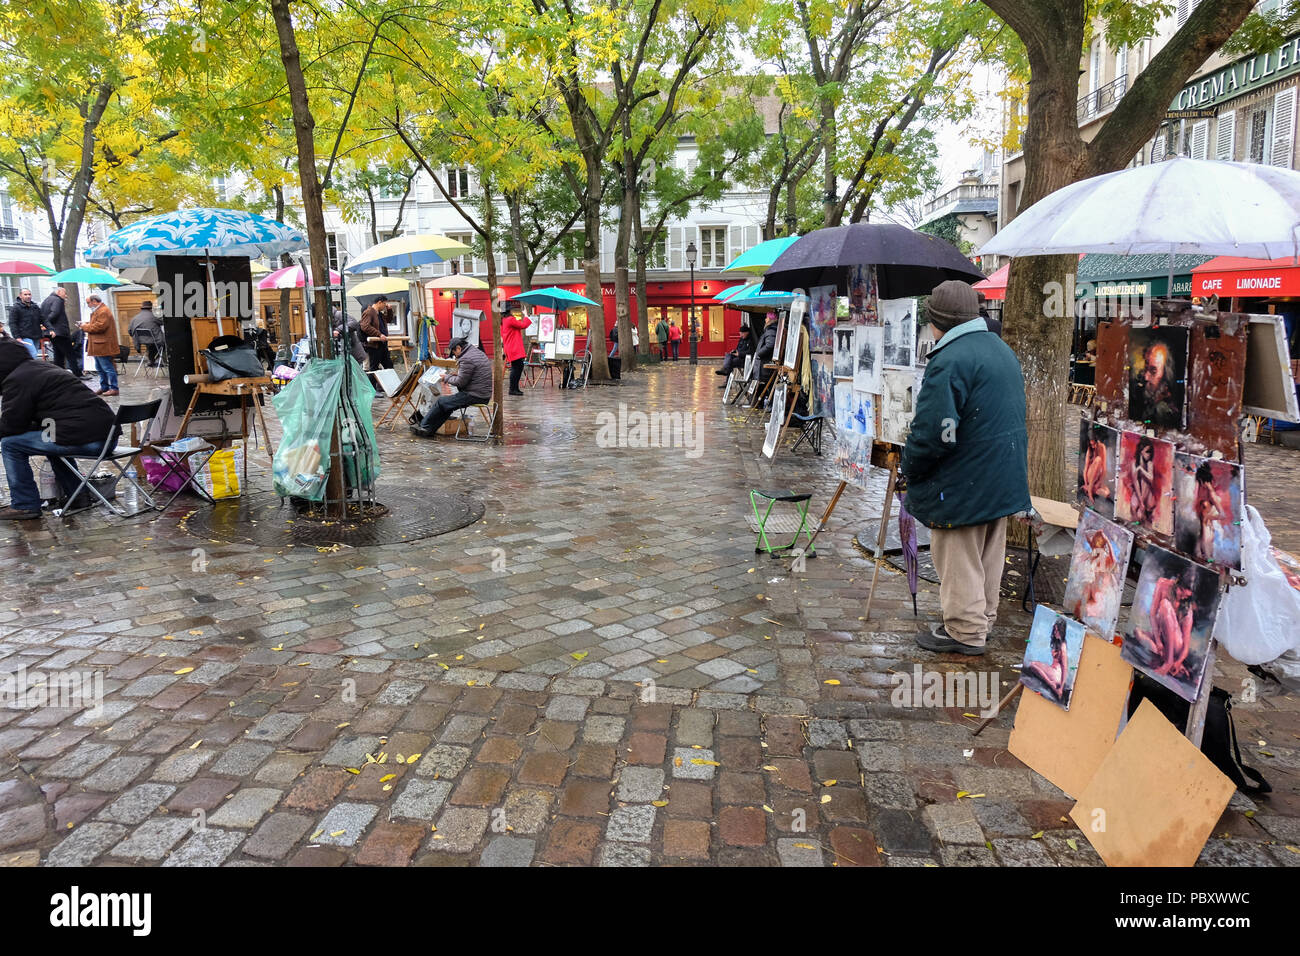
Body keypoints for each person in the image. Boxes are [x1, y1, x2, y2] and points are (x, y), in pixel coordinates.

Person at [902, 280, 1030, 656]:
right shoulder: (998, 347)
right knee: (988, 552)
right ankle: (982, 619)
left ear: (937, 321)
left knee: (958, 553)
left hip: (964, 480)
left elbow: (934, 433)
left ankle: (964, 629)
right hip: (1001, 475)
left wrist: (911, 465)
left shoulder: (952, 358)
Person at [0, 340, 116, 520]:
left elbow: (12, 425)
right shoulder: (42, 368)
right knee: (50, 440)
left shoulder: (17, 379)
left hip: (87, 439)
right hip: (106, 436)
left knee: (10, 444)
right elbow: (39, 418)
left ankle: (24, 505)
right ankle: (78, 495)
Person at [410, 337, 492, 438]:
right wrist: (455, 375)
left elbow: (460, 382)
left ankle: (424, 426)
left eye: (454, 353)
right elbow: (469, 377)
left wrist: (447, 377)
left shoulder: (466, 358)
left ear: (458, 348)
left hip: (475, 395)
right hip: (481, 393)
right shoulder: (476, 352)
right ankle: (429, 430)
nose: (455, 356)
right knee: (447, 405)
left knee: (442, 402)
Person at [79, 293, 120, 396]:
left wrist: (85, 327)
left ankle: (114, 388)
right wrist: (86, 324)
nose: (88, 305)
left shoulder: (103, 311)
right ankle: (104, 387)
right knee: (100, 368)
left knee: (107, 367)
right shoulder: (99, 311)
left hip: (103, 345)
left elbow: (99, 327)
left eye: (88, 302)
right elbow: (96, 325)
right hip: (99, 345)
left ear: (94, 301)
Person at [41, 288, 80, 373]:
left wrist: (45, 324)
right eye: (65, 293)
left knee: (58, 354)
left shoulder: (46, 300)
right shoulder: (58, 300)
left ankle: (59, 373)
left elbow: (43, 314)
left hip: (51, 333)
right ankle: (77, 373)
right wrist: (47, 323)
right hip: (60, 332)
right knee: (70, 353)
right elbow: (55, 313)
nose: (66, 296)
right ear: (58, 292)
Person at [501, 304, 530, 396]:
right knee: (517, 368)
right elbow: (523, 325)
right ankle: (512, 389)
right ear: (509, 311)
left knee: (517, 367)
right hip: (514, 347)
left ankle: (515, 388)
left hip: (510, 347)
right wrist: (525, 315)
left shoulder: (503, 320)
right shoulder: (510, 319)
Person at [360, 296, 394, 371]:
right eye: (384, 304)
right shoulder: (369, 312)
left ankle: (390, 382)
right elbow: (365, 326)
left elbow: (388, 319)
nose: (385, 306)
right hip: (374, 345)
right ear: (379, 302)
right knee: (374, 367)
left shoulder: (379, 314)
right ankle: (371, 382)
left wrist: (389, 310)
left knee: (388, 365)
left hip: (382, 344)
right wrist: (379, 334)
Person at [127, 300, 164, 366]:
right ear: (151, 308)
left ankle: (151, 360)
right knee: (163, 344)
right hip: (155, 340)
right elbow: (163, 322)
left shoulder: (134, 318)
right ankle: (156, 359)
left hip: (141, 341)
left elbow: (130, 331)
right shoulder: (153, 316)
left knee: (151, 345)